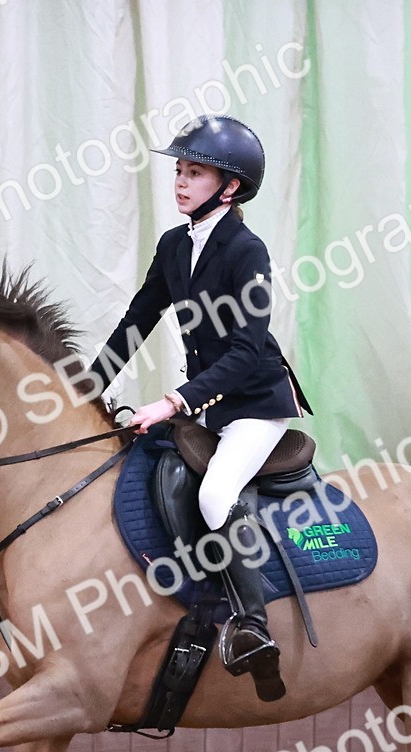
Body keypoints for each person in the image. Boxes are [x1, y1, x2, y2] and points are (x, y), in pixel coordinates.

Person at [87, 115, 312, 701]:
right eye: (180, 171)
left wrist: (173, 402)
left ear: (230, 187)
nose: (181, 183)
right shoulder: (174, 245)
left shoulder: (247, 250)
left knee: (215, 494)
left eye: (195, 173)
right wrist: (86, 387)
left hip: (255, 405)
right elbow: (138, 319)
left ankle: (253, 625)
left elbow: (246, 350)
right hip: (209, 405)